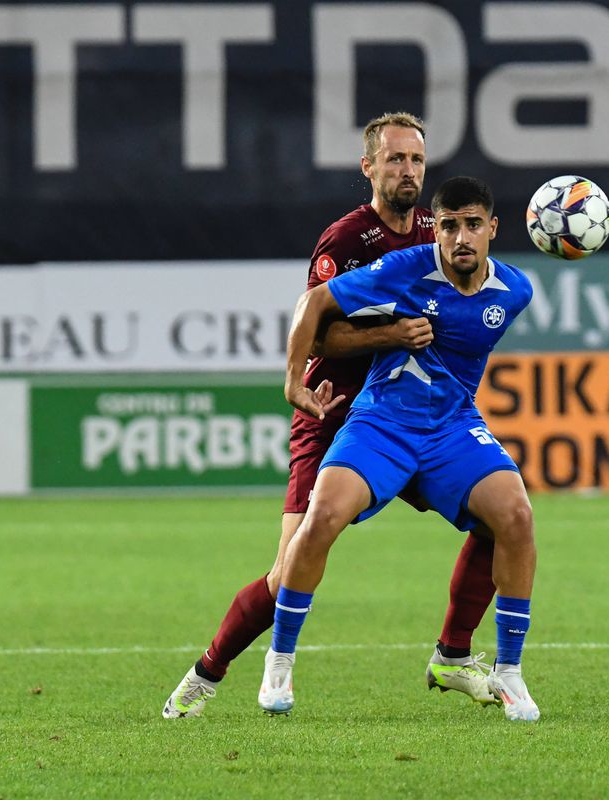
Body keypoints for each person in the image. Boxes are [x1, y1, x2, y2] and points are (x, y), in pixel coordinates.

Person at [163, 113, 499, 719]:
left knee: (499, 523)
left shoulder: (437, 228)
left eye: (416, 160)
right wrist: (390, 335)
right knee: (286, 571)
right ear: (368, 168)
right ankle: (206, 673)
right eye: (394, 160)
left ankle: (454, 655)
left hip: (406, 416)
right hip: (336, 411)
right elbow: (315, 334)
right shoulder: (345, 241)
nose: (407, 171)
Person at [260, 176, 541, 722]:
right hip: (382, 422)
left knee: (515, 515)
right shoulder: (405, 269)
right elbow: (315, 302)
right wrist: (293, 379)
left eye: (474, 225)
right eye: (451, 226)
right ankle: (280, 660)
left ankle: (508, 672)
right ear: (437, 229)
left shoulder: (515, 292)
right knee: (322, 517)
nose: (462, 237)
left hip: (451, 427)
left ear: (492, 230)